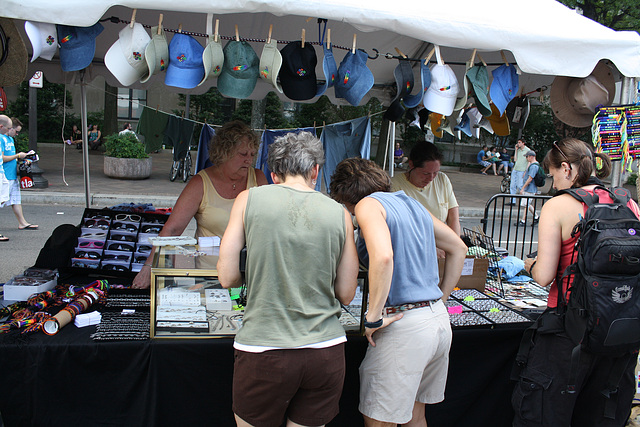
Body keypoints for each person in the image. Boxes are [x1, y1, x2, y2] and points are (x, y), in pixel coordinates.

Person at [217, 131, 359, 427]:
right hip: (325, 350)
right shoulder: (340, 213)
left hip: (264, 349)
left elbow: (228, 276)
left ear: (273, 174)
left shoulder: (248, 199)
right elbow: (346, 293)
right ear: (315, 171)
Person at [329, 157, 467, 427]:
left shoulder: (369, 204)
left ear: (346, 195)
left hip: (405, 326)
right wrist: (441, 297)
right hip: (436, 320)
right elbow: (458, 248)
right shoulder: (411, 203)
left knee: (380, 420)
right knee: (415, 417)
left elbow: (382, 258)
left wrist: (373, 316)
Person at [513, 138, 640, 426]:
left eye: (554, 174)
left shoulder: (559, 205)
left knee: (545, 413)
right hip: (619, 331)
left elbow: (544, 276)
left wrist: (530, 264)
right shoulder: (628, 201)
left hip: (568, 334)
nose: (554, 182)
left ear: (567, 168)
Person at [131, 120, 268, 289]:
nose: (249, 160)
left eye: (252, 154)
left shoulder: (258, 178)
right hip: (210, 276)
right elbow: (172, 229)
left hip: (251, 275)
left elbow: (271, 226)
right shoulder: (201, 183)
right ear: (224, 153)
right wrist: (148, 267)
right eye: (243, 154)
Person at [390, 142, 460, 253]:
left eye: (435, 173)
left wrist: (454, 247)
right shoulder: (394, 186)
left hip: (442, 249)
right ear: (411, 165)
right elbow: (399, 230)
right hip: (410, 251)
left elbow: (453, 219)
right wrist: (430, 250)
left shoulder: (442, 180)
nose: (431, 178)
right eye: (426, 173)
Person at [0, 116, 38, 231]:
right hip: (5, 175)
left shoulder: (10, 140)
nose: (16, 134)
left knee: (15, 200)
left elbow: (10, 157)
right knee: (2, 200)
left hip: (12, 174)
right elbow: (2, 158)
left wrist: (23, 158)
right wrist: (17, 156)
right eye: (16, 131)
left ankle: (22, 222)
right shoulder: (1, 139)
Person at [515, 150, 540, 226]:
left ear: (531, 157)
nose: (526, 158)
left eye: (527, 156)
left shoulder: (534, 166)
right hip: (530, 188)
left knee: (526, 204)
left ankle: (523, 220)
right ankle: (536, 216)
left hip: (530, 188)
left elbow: (530, 178)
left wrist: (523, 188)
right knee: (527, 204)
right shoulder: (533, 164)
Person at [510, 138, 531, 203]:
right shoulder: (518, 150)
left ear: (523, 143)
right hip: (516, 168)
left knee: (520, 185)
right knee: (512, 185)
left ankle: (524, 200)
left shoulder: (527, 150)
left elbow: (529, 161)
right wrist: (516, 150)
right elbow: (515, 159)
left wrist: (526, 171)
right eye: (518, 142)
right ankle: (512, 201)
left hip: (522, 170)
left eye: (519, 142)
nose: (518, 144)